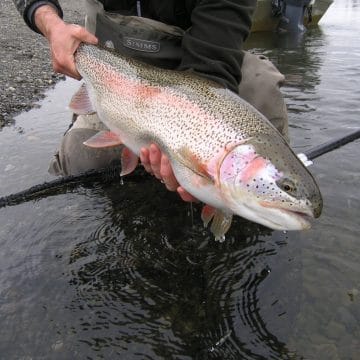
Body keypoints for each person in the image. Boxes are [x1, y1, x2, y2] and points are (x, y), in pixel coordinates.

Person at [13, 0, 288, 203]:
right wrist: (52, 25)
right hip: (114, 74)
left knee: (263, 88)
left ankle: (255, 205)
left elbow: (210, 70)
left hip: (199, 73)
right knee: (79, 158)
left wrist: (191, 152)